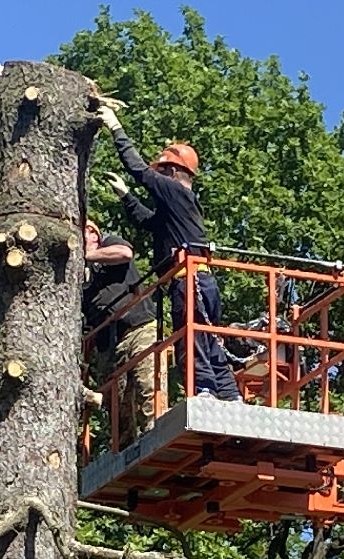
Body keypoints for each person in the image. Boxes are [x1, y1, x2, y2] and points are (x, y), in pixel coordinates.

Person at [96, 105, 241, 402]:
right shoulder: (178, 205)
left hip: (189, 282)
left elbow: (138, 169)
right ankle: (229, 395)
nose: (156, 176)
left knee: (192, 338)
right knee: (207, 338)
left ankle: (205, 390)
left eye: (160, 171)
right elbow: (150, 223)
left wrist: (115, 128)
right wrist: (126, 197)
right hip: (200, 281)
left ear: (173, 171)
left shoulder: (175, 192)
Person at [83, 220, 162, 443]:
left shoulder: (109, 244)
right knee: (116, 400)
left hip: (138, 325)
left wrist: (88, 256)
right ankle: (124, 447)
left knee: (147, 382)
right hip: (109, 342)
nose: (87, 237)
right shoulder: (78, 276)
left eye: (87, 233)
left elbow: (125, 253)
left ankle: (155, 435)